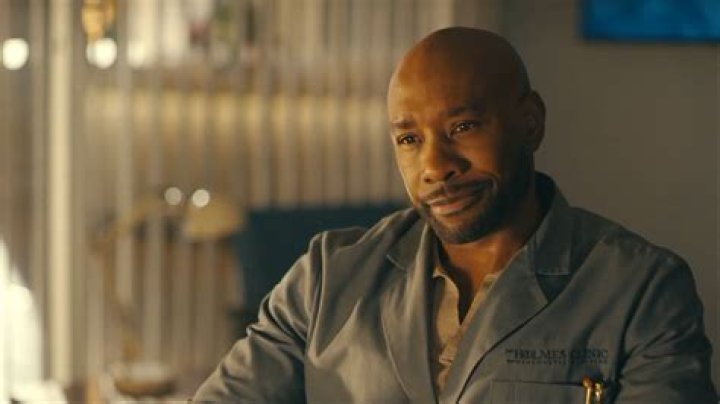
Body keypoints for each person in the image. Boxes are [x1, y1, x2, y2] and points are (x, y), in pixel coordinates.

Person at [193, 27, 716, 403]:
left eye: (463, 127)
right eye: (409, 139)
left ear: (530, 123)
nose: (435, 166)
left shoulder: (640, 290)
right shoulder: (326, 278)